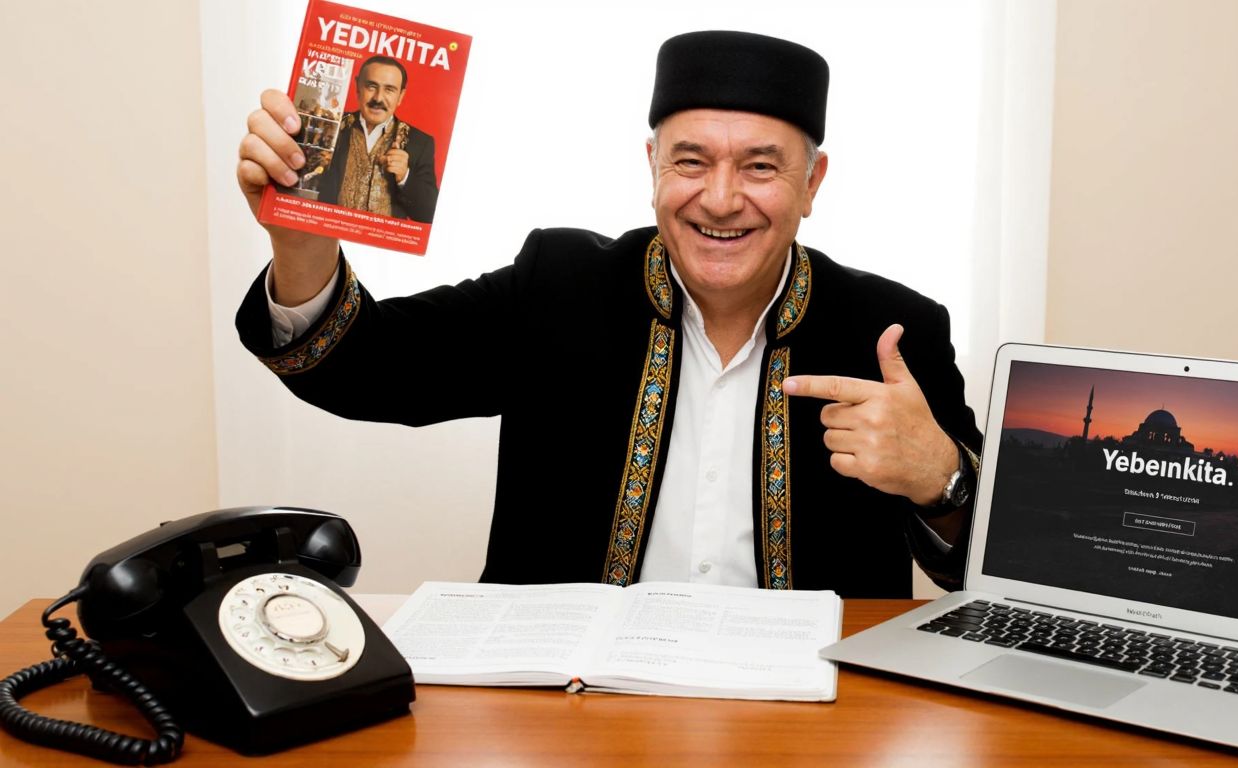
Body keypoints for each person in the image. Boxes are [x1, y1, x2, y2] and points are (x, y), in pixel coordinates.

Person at [234, 31, 982, 598]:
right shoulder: (557, 285)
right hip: (571, 717)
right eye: (691, 162)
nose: (721, 199)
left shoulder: (892, 331)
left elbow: (996, 572)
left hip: (816, 727)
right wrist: (300, 246)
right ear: (651, 165)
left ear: (813, 182)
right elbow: (366, 367)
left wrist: (940, 478)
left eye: (760, 166)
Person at [314, 55, 439, 222]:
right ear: (358, 87)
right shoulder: (330, 127)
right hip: (329, 237)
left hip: (382, 246)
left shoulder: (420, 142)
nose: (378, 98)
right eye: (371, 86)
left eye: (389, 89)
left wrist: (405, 176)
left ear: (401, 95)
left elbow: (430, 215)